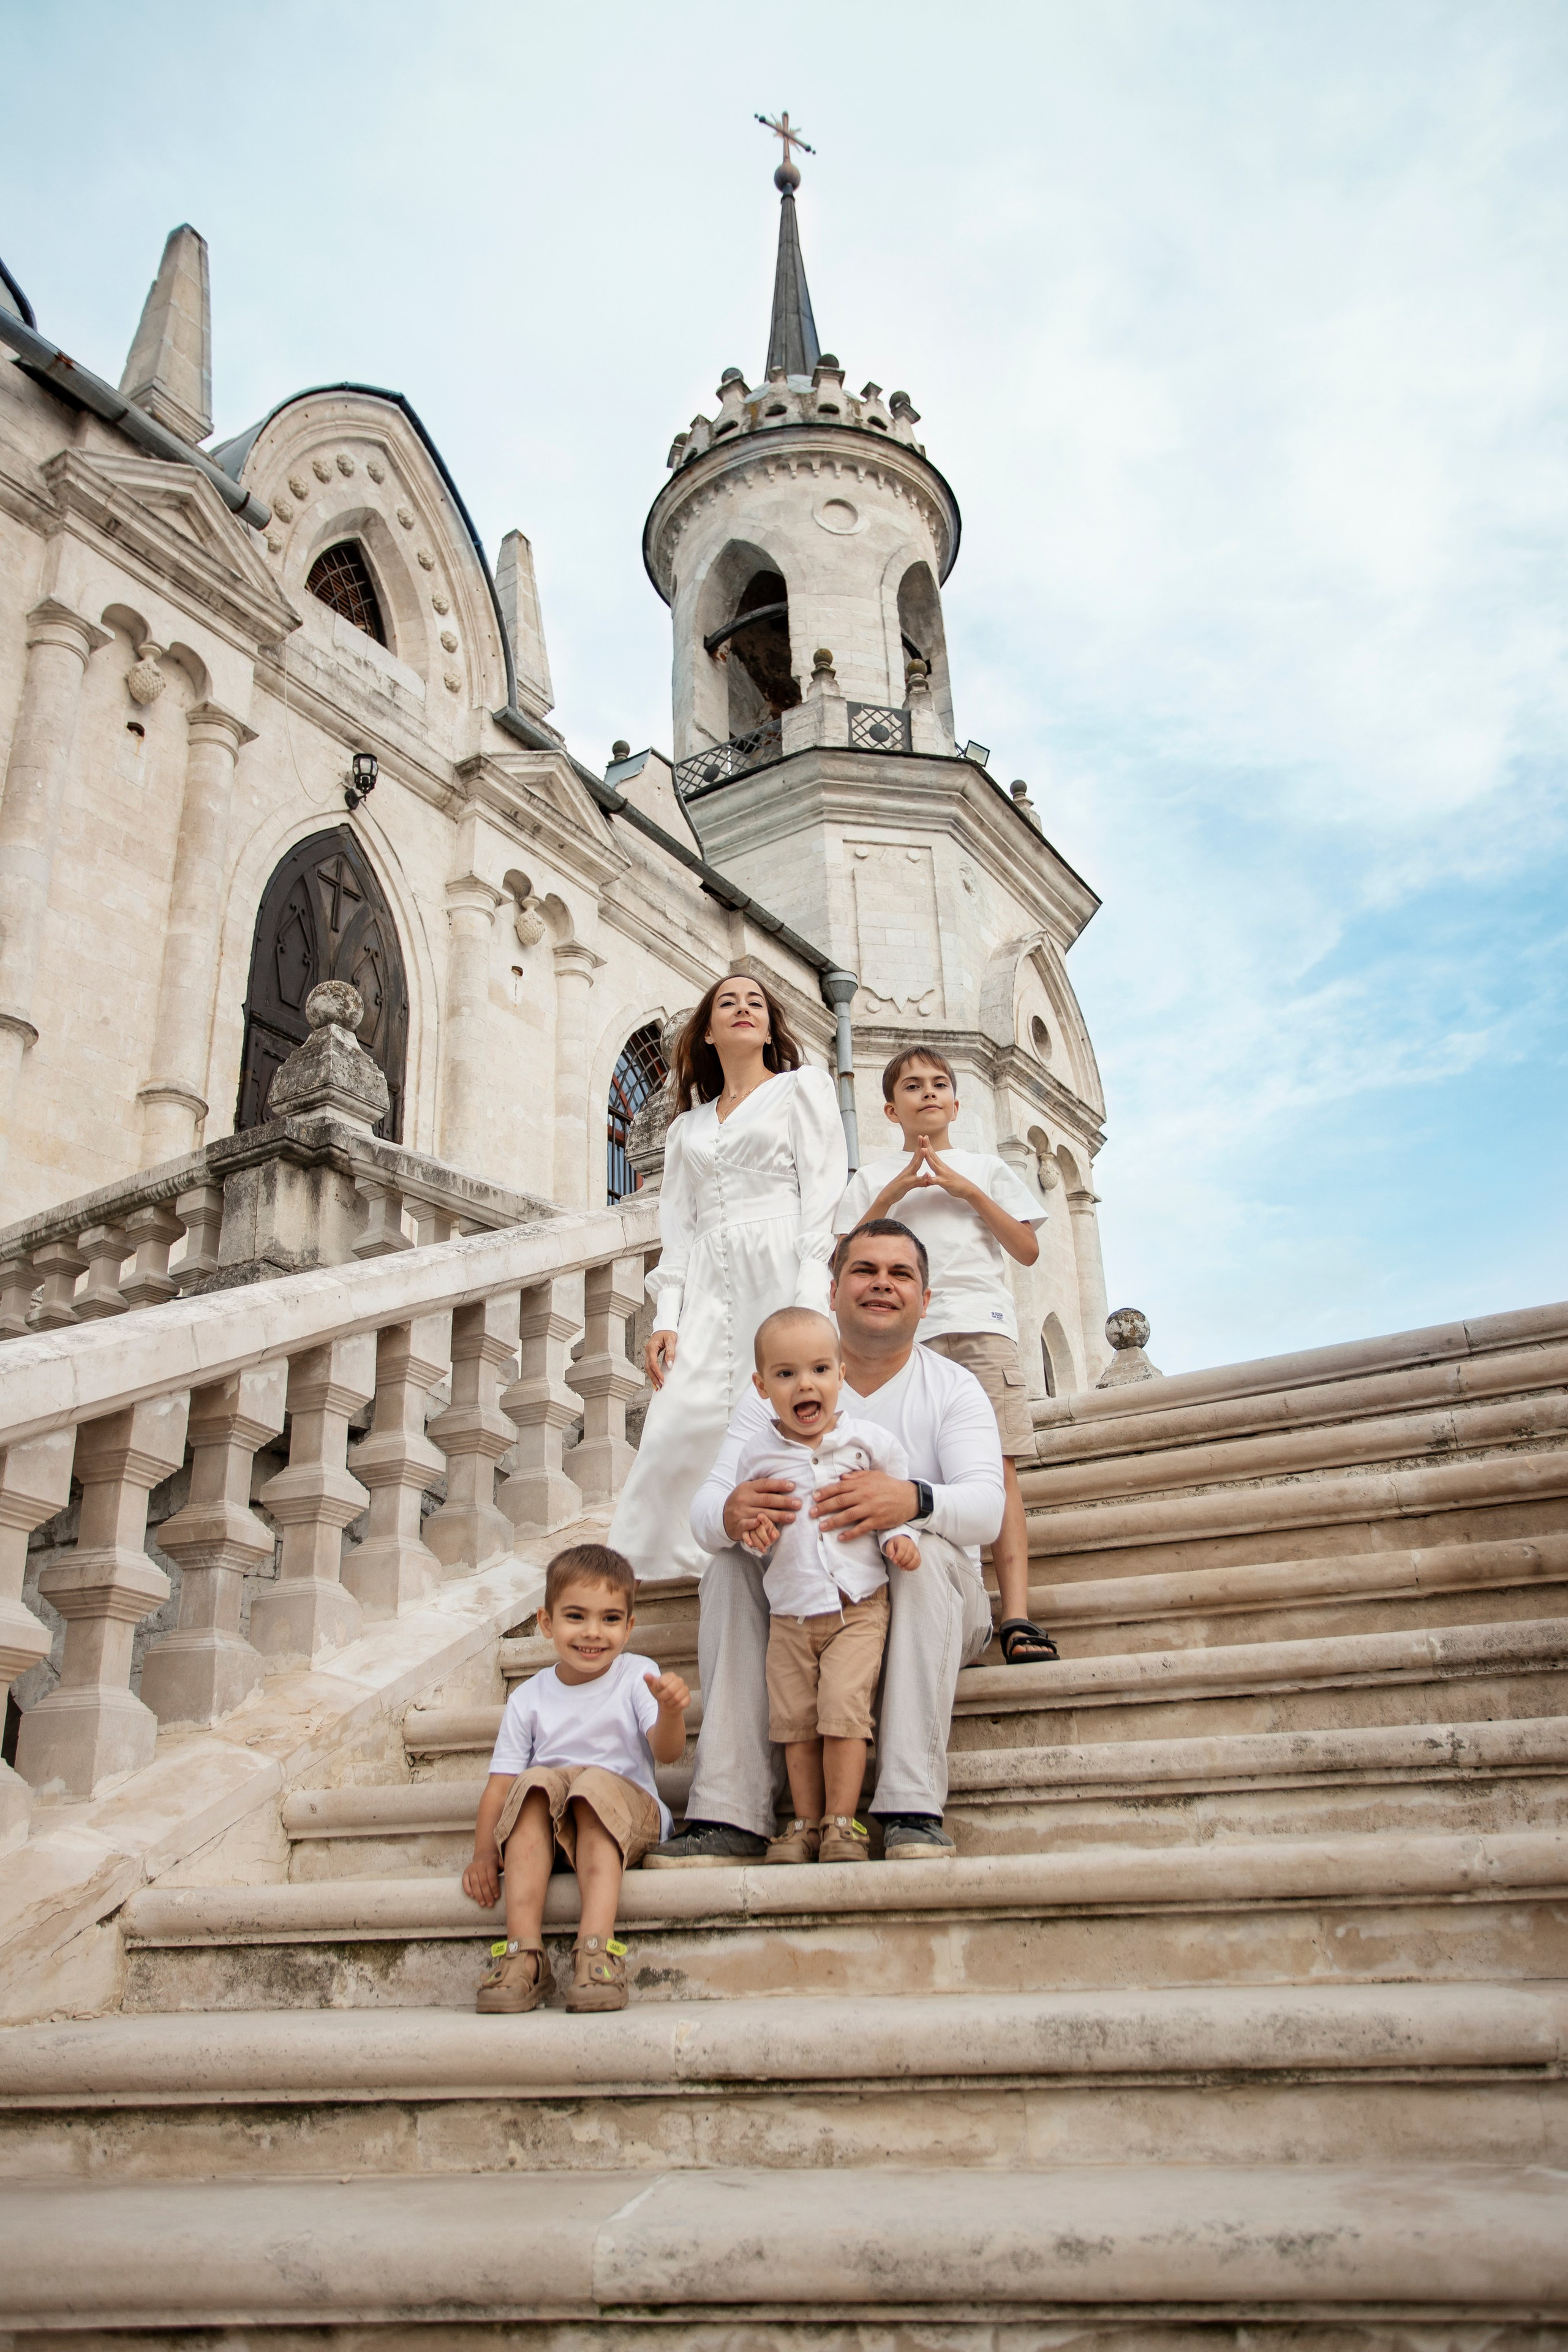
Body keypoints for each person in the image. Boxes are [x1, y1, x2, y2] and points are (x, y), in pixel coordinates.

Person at [645, 1220, 1003, 1868]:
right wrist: (731, 1513)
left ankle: (910, 1808)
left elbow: (987, 1511)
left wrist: (911, 1500)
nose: (882, 1285)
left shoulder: (953, 1387)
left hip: (932, 1603)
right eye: (865, 1271)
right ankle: (730, 1811)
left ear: (926, 1299)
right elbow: (702, 1511)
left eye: (902, 1275)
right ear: (834, 1290)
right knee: (728, 1566)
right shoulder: (781, 1389)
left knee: (922, 1556)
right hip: (806, 1607)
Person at [608, 970, 848, 1583]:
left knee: (774, 1417)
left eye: (755, 1003)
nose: (743, 1009)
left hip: (781, 1266)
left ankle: (788, 1555)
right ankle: (658, 1567)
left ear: (769, 1027)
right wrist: (666, 1318)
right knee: (676, 1422)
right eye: (727, 1003)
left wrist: (807, 1299)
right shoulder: (686, 1127)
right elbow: (679, 1229)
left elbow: (822, 1193)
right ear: (708, 1032)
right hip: (709, 1288)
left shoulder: (803, 1088)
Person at [835, 1047, 1057, 1665]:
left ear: (956, 1103)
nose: (926, 1093)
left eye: (938, 1084)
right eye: (911, 1085)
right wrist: (896, 1189)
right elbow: (840, 1257)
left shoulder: (984, 1168)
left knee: (999, 1470)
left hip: (981, 1329)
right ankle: (910, 1599)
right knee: (905, 1462)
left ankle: (1014, 1613)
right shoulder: (869, 1177)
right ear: (890, 1107)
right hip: (902, 1338)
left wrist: (966, 1191)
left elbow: (1026, 1248)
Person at [462, 1542, 689, 2014]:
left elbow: (667, 1753)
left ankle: (596, 1951)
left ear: (629, 1627)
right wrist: (485, 1853)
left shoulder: (637, 1675)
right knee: (534, 1783)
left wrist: (669, 1712)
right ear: (546, 1623)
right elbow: (501, 1786)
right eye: (576, 1617)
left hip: (627, 1814)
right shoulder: (529, 1697)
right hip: (554, 1825)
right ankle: (525, 1955)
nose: (593, 1633)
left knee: (591, 1787)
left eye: (610, 1619)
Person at [732, 1305, 919, 1866]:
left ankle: (843, 1821)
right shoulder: (758, 1455)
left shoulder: (867, 1442)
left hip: (856, 1606)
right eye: (786, 1375)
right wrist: (755, 1536)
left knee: (841, 1709)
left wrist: (897, 1536)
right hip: (789, 1613)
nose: (805, 1384)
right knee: (794, 1723)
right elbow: (753, 1529)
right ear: (762, 1386)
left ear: (841, 1374)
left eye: (819, 1370)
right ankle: (806, 1822)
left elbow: (894, 1493)